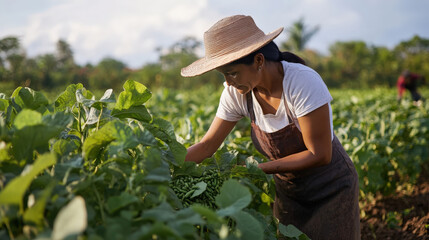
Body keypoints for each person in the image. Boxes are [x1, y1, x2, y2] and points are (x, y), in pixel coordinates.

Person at [181, 15, 360, 239]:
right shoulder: (236, 93)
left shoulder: (302, 82)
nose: (228, 82)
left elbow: (320, 154)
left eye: (233, 72)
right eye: (223, 74)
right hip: (289, 193)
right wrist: (166, 166)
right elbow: (207, 145)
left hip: (330, 187)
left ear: (258, 60)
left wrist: (256, 170)